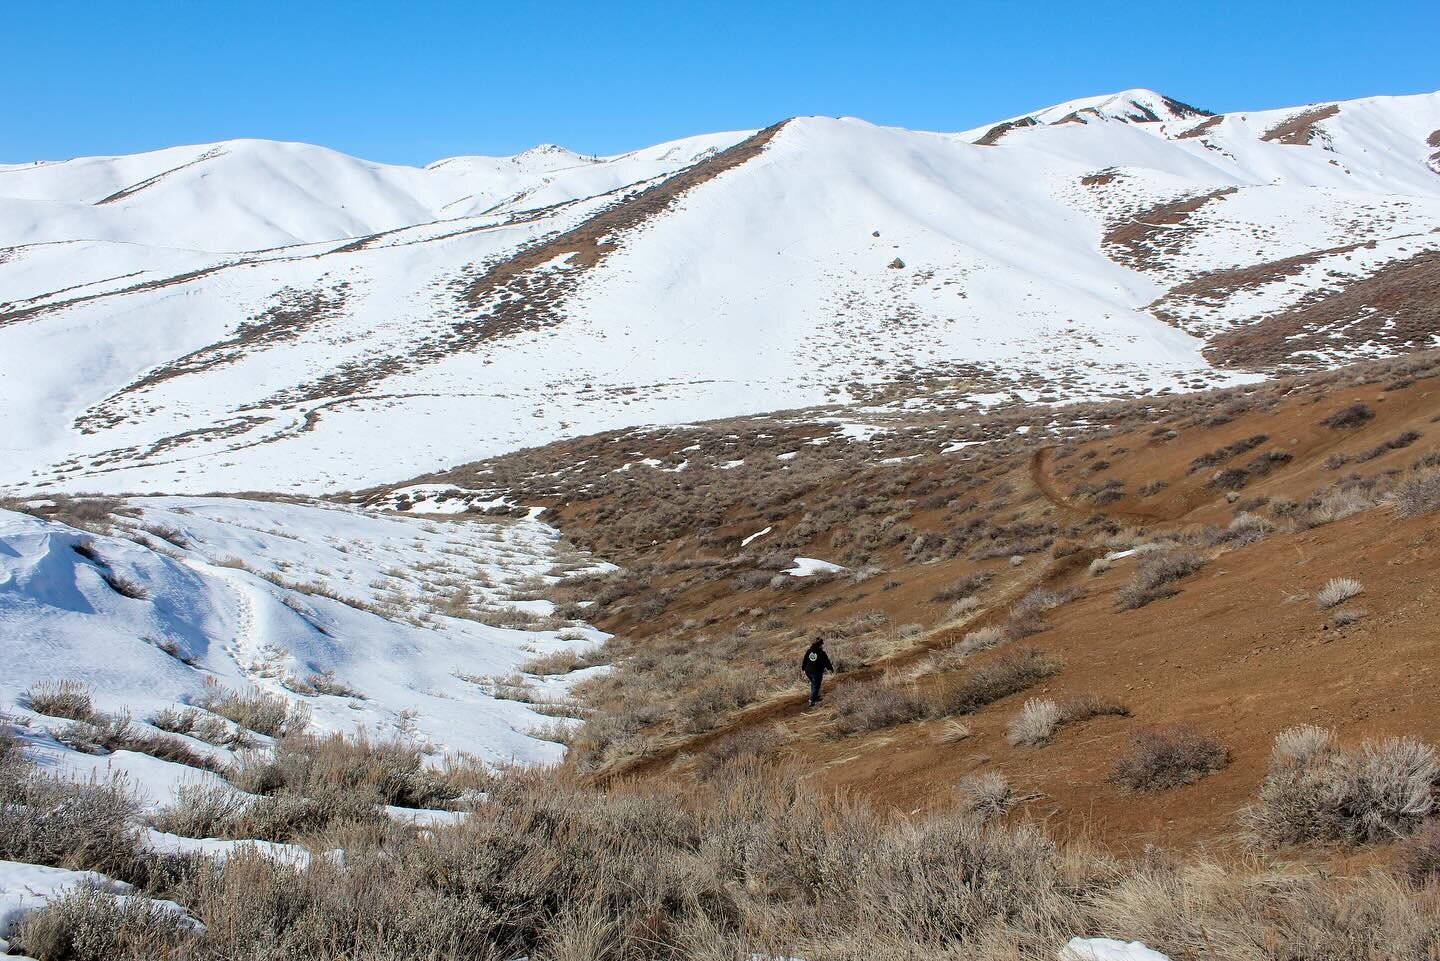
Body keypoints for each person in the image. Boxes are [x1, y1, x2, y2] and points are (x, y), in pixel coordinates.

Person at [801, 638, 834, 706]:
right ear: (819, 645)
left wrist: (803, 668)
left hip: (808, 671)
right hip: (816, 672)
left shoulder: (809, 651)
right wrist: (830, 669)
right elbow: (826, 662)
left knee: (814, 684)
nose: (822, 646)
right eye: (821, 644)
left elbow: (805, 660)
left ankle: (816, 697)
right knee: (816, 685)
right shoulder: (821, 653)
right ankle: (812, 700)